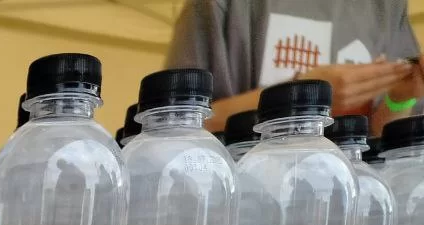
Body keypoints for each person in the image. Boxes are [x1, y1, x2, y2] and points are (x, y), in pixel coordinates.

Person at [166, 0, 423, 132]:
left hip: (347, 202)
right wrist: (302, 98)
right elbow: (172, 124)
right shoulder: (220, 6)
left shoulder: (386, 8)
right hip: (244, 201)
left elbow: (381, 139)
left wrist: (399, 99)